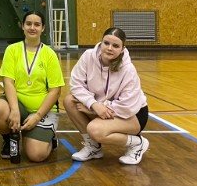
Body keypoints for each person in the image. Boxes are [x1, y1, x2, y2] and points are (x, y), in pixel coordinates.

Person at [63, 27, 150, 165]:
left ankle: (137, 143)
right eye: (106, 43)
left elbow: (127, 106)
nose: (110, 48)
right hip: (101, 107)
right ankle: (93, 147)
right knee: (69, 101)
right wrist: (93, 104)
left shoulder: (128, 69)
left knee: (95, 130)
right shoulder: (88, 56)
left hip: (132, 115)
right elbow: (76, 84)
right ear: (101, 42)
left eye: (115, 46)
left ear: (122, 49)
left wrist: (97, 108)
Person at [0, 11, 64, 163]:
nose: (32, 27)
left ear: (43, 28)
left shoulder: (49, 54)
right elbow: (8, 81)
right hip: (18, 104)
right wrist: (15, 110)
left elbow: (55, 91)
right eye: (28, 24)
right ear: (22, 26)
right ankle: (9, 138)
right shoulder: (12, 50)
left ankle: (50, 138)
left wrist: (37, 116)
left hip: (41, 110)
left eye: (37, 24)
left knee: (36, 155)